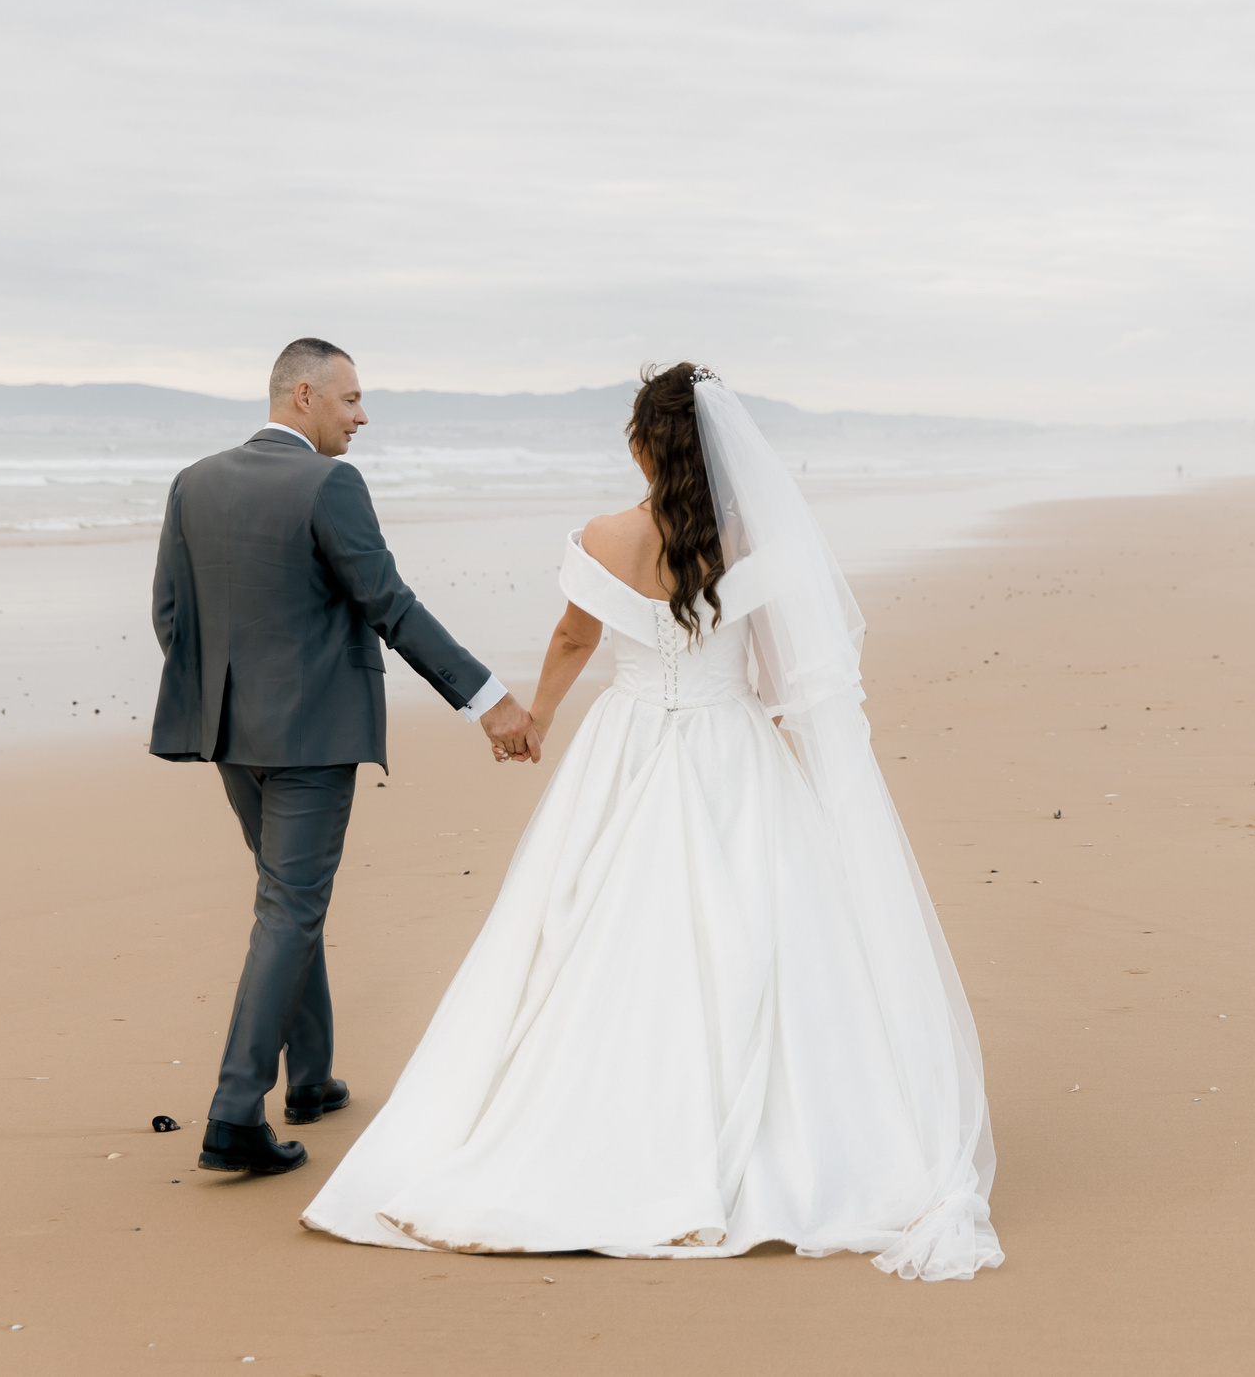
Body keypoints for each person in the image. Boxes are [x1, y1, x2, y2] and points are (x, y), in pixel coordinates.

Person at [300, 363, 1002, 1280]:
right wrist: (800, 754)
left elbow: (573, 637)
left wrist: (538, 718)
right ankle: (775, 1142)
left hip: (628, 745)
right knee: (757, 939)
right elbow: (787, 671)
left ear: (641, 442)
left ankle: (601, 1126)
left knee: (591, 929)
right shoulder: (753, 542)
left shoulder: (603, 534)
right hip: (734, 749)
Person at [149, 337, 537, 1176]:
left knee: (288, 899)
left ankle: (313, 1078)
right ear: (301, 395)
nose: (363, 417)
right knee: (289, 908)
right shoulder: (331, 483)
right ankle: (232, 1111)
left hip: (227, 733)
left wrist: (226, 701)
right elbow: (389, 602)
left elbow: (171, 618)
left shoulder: (194, 482)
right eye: (351, 399)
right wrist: (488, 699)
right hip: (312, 740)